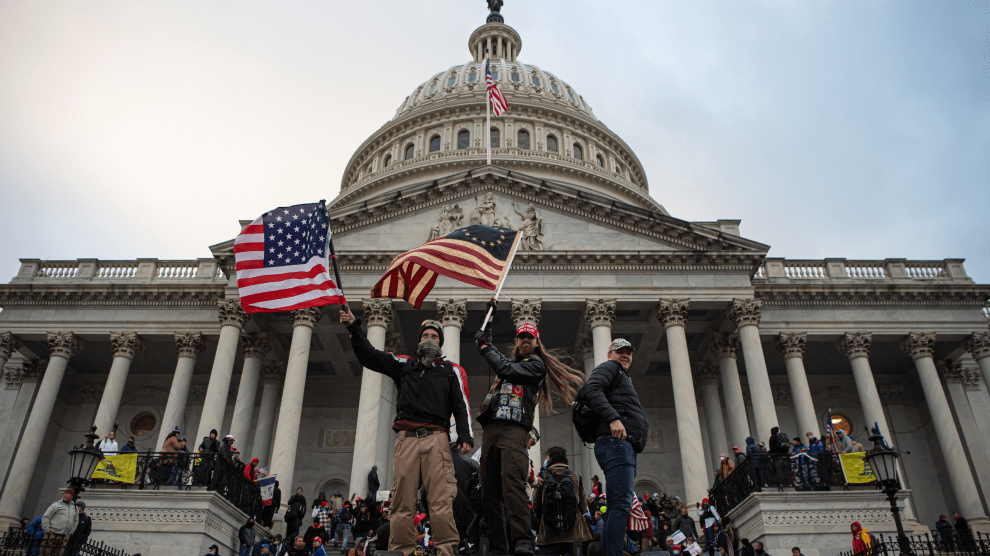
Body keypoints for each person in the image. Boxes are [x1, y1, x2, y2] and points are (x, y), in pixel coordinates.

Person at [341, 309, 473, 556]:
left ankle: (446, 550)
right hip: (407, 439)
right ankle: (400, 551)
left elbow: (459, 404)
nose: (430, 339)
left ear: (440, 342)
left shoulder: (448, 370)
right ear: (419, 340)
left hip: (437, 439)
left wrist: (465, 434)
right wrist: (353, 327)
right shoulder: (404, 365)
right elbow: (370, 356)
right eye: (425, 335)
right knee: (402, 502)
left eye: (434, 336)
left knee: (441, 502)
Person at [474, 314, 584, 556]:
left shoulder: (535, 366)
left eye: (529, 338)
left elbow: (504, 367)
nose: (525, 341)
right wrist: (489, 328)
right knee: (489, 492)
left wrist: (484, 346)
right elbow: (504, 364)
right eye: (522, 337)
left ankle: (523, 541)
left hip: (513, 430)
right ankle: (497, 548)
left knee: (512, 485)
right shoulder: (511, 363)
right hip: (491, 429)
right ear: (517, 340)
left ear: (536, 343)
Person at [581, 338, 648, 556]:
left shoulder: (622, 377)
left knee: (617, 506)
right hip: (615, 443)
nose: (625, 355)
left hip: (621, 445)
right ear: (610, 354)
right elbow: (591, 389)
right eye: (620, 351)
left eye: (628, 352)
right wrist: (613, 418)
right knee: (620, 506)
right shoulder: (610, 368)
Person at [531, 446, 592, 556]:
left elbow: (536, 505)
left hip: (548, 535)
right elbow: (583, 506)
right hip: (574, 534)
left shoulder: (542, 476)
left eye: (547, 457)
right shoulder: (575, 476)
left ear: (551, 458)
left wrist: (543, 521)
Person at [41, 487, 78, 553]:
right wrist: (48, 530)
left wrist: (70, 532)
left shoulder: (74, 508)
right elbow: (46, 517)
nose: (65, 495)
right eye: (65, 493)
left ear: (72, 496)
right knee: (46, 553)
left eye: (68, 494)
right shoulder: (55, 505)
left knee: (58, 554)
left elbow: (76, 521)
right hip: (52, 533)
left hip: (64, 536)